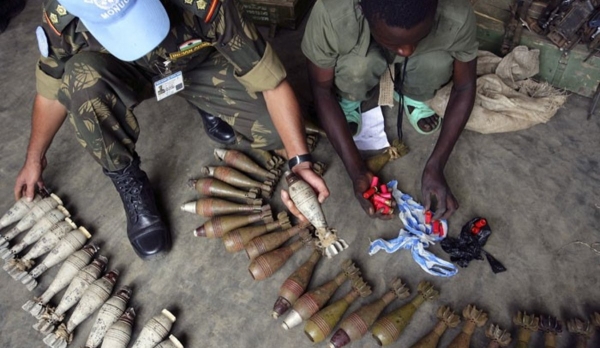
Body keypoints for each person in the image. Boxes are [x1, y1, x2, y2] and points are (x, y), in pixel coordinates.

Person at [14, 0, 329, 260]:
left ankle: (206, 100)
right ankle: (128, 178)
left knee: (282, 132)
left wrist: (299, 163)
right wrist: (34, 158)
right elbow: (50, 91)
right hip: (126, 72)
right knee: (79, 83)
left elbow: (271, 82)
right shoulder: (64, 15)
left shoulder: (206, 4)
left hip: (197, 62)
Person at [301, 0, 478, 221]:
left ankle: (414, 93)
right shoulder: (334, 12)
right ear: (361, 10)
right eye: (393, 41)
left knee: (435, 64)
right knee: (357, 68)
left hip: (424, 55)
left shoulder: (457, 11)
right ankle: (350, 96)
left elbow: (465, 86)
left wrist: (436, 164)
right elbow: (321, 88)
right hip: (357, 55)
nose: (406, 51)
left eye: (418, 37)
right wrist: (356, 170)